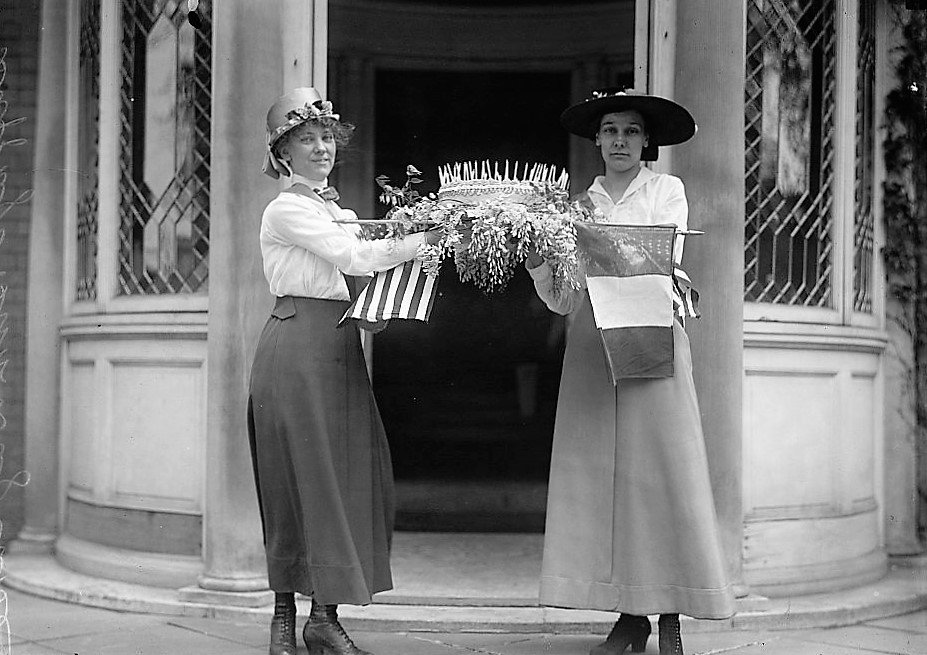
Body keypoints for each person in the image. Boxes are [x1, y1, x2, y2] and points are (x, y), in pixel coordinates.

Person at [525, 89, 735, 655]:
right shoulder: (577, 204)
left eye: (632, 132)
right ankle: (629, 615)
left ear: (648, 143)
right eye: (611, 130)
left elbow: (659, 259)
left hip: (648, 338)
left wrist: (586, 244)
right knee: (606, 482)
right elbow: (565, 299)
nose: (620, 141)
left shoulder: (667, 191)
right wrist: (537, 251)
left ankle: (669, 611)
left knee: (660, 473)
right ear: (597, 139)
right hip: (593, 344)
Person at [249, 87, 439, 655]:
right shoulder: (286, 208)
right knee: (294, 478)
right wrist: (429, 237)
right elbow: (356, 258)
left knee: (340, 476)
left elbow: (362, 273)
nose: (320, 147)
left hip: (336, 347)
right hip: (296, 347)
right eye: (305, 139)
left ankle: (322, 617)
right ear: (283, 154)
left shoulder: (337, 209)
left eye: (326, 137)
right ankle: (285, 617)